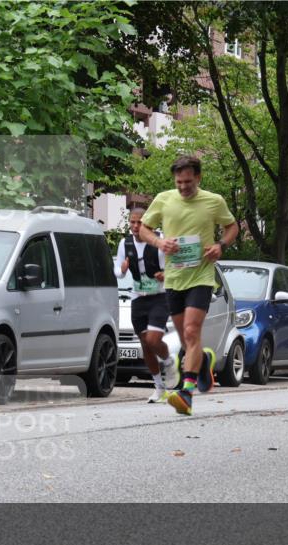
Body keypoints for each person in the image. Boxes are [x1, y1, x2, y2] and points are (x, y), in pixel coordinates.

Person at [138, 155, 239, 416]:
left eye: (188, 182)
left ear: (198, 178)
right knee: (186, 339)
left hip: (202, 276)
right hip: (174, 278)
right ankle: (202, 361)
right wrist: (160, 243)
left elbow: (232, 227)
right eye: (179, 182)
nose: (183, 187)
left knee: (193, 332)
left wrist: (220, 246)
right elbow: (144, 229)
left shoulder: (213, 201)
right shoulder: (164, 199)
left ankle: (187, 392)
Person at [114, 207, 179, 403]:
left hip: (159, 297)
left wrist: (165, 275)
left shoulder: (161, 240)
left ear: (148, 223)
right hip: (137, 297)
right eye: (132, 222)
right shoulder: (125, 243)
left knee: (152, 339)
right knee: (146, 345)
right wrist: (122, 270)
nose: (135, 226)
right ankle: (159, 387)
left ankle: (168, 362)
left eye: (139, 222)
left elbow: (177, 266)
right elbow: (117, 270)